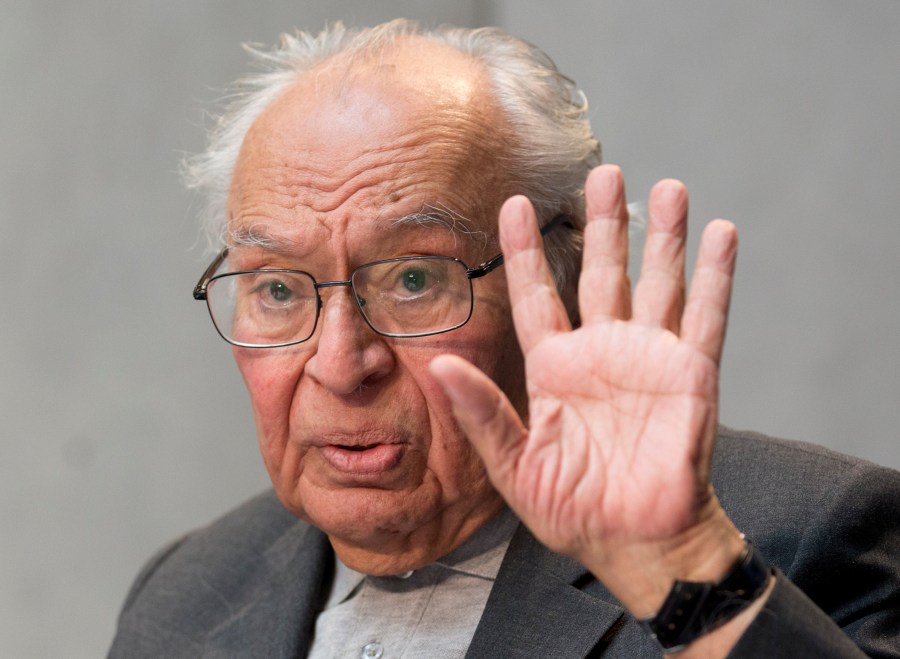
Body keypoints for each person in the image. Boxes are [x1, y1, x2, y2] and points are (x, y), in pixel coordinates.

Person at [109, 19, 900, 658]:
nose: (344, 364)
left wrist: (681, 564)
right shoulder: (190, 590)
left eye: (415, 279)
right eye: (278, 288)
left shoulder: (808, 534)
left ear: (564, 281)